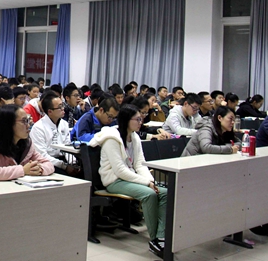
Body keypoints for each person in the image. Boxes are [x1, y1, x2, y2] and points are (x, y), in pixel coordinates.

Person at [89, 104, 167, 258]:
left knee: (165, 192)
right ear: (126, 120)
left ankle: (161, 236)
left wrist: (151, 181)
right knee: (149, 195)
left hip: (130, 178)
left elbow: (140, 164)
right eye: (137, 119)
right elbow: (120, 170)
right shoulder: (112, 139)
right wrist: (146, 184)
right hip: (114, 181)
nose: (140, 122)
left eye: (141, 119)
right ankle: (154, 240)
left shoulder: (135, 137)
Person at [0, 105, 54, 180]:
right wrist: (23, 170)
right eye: (24, 121)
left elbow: (49, 164)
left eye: (28, 120)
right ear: (8, 124)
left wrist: (39, 169)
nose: (28, 125)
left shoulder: (27, 143)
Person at [30, 92, 79, 175]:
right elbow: (42, 155)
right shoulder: (38, 127)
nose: (63, 108)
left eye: (62, 105)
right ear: (50, 111)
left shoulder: (64, 124)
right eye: (60, 107)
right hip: (47, 162)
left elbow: (67, 146)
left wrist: (73, 163)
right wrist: (64, 166)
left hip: (63, 159)